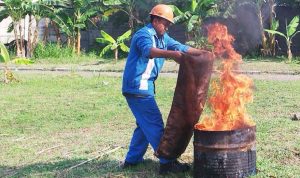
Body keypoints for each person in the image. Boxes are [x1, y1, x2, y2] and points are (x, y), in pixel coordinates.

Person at [121, 4, 207, 174]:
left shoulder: (163, 37)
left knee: (144, 126)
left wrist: (203, 53)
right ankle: (167, 162)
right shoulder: (143, 35)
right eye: (165, 23)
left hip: (144, 87)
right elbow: (149, 51)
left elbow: (181, 47)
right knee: (154, 123)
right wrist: (172, 55)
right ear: (155, 20)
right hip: (138, 88)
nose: (167, 27)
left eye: (168, 24)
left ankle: (132, 161)